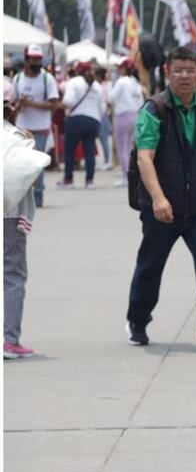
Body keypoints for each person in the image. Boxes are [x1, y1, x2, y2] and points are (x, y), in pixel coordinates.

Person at [126, 46, 196, 355]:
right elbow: (144, 158)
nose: (185, 77)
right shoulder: (154, 110)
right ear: (168, 73)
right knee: (150, 267)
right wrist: (158, 199)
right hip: (163, 209)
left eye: (190, 71)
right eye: (178, 70)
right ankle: (138, 320)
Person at [4, 98, 41, 360]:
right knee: (13, 275)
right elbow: (29, 178)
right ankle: (10, 340)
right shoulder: (18, 138)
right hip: (10, 214)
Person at [11, 45, 60, 207]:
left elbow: (54, 104)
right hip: (21, 128)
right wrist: (19, 105)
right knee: (22, 164)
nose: (36, 62)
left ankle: (38, 195)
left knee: (37, 164)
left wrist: (31, 104)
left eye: (38, 59)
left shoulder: (47, 78)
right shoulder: (18, 79)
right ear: (26, 60)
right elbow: (13, 104)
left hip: (40, 128)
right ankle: (22, 197)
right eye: (33, 59)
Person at [58, 61, 106, 189]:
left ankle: (69, 179)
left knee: (70, 150)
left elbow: (68, 101)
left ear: (77, 71)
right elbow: (102, 108)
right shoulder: (97, 86)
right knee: (90, 150)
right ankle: (89, 181)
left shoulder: (73, 82)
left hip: (75, 119)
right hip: (93, 120)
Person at [109, 59, 144, 186]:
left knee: (122, 148)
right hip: (135, 115)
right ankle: (131, 175)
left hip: (122, 115)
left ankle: (126, 176)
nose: (118, 70)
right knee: (130, 148)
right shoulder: (136, 83)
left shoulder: (121, 81)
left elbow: (111, 97)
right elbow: (141, 102)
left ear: (124, 68)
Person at [95, 66, 114, 171]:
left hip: (102, 113)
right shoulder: (106, 85)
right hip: (103, 113)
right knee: (103, 139)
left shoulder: (103, 86)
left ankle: (107, 161)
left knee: (103, 139)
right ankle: (106, 161)